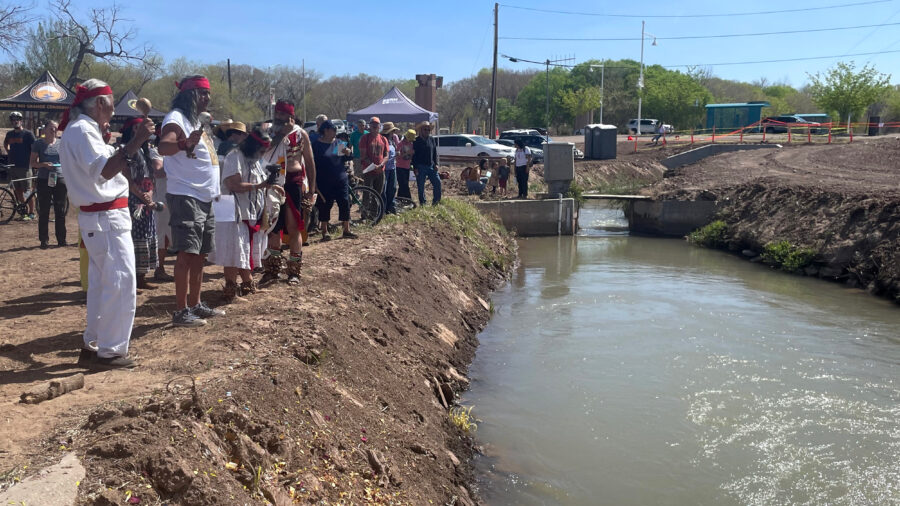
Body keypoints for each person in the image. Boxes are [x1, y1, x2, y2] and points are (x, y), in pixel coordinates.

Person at [58, 78, 154, 369]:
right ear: (100, 103)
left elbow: (104, 171)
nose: (114, 107)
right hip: (106, 219)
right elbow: (106, 171)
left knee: (102, 285)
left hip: (99, 217)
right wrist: (136, 141)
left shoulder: (81, 130)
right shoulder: (84, 131)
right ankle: (110, 351)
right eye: (111, 100)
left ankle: (94, 345)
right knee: (121, 283)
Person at [158, 74, 225, 326]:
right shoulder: (176, 119)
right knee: (186, 252)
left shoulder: (195, 120)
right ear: (189, 95)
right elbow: (164, 147)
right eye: (202, 93)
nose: (207, 98)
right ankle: (180, 311)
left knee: (200, 253)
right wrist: (184, 142)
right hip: (186, 194)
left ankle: (196, 304)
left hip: (204, 196)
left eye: (208, 93)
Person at [260, 99, 316, 286]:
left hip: (293, 182)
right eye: (277, 113)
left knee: (293, 226)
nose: (279, 117)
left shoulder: (301, 134)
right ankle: (272, 271)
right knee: (273, 226)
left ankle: (294, 271)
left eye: (283, 114)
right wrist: (278, 136)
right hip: (272, 181)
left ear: (291, 116)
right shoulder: (267, 130)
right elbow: (258, 152)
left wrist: (311, 189)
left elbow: (309, 161)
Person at [215, 125, 271, 302]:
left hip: (248, 211)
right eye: (262, 150)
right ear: (254, 146)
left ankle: (248, 285)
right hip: (232, 210)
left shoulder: (253, 159)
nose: (263, 153)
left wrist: (272, 186)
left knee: (243, 249)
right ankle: (230, 291)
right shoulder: (235, 157)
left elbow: (259, 181)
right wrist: (260, 186)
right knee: (233, 250)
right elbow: (233, 185)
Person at [121, 117, 161, 290]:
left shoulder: (147, 151)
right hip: (132, 199)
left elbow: (151, 177)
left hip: (145, 201)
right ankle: (132, 279)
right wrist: (140, 195)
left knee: (146, 235)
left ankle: (142, 276)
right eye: (136, 128)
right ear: (131, 131)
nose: (140, 131)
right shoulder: (124, 151)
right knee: (134, 237)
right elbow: (126, 178)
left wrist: (150, 194)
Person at [311, 120, 356, 240]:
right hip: (324, 181)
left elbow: (347, 157)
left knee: (344, 202)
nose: (336, 132)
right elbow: (312, 164)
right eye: (333, 129)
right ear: (326, 130)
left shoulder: (338, 143)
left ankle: (346, 229)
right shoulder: (316, 145)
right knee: (325, 204)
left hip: (340, 179)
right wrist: (313, 181)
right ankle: (325, 231)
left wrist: (348, 152)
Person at [30, 120, 67, 248]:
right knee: (44, 210)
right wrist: (43, 165)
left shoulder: (62, 143)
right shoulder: (38, 143)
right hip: (44, 179)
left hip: (60, 178)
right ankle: (44, 240)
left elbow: (68, 160)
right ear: (45, 130)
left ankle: (61, 240)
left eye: (56, 128)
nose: (53, 131)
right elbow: (33, 163)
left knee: (60, 210)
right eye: (51, 128)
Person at [4, 111, 36, 220]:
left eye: (17, 119)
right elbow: (5, 143)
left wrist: (33, 161)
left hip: (25, 167)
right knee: (18, 191)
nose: (15, 121)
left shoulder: (28, 134)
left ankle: (32, 213)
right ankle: (24, 211)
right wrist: (9, 152)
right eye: (13, 120)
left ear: (21, 121)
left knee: (28, 191)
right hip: (13, 166)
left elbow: (34, 149)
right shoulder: (9, 134)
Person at [411, 121, 441, 206]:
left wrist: (436, 164)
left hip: (431, 165)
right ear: (421, 130)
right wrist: (415, 168)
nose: (427, 131)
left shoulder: (431, 139)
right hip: (420, 167)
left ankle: (436, 202)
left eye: (428, 130)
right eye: (425, 129)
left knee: (437, 183)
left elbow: (434, 152)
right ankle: (423, 203)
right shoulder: (416, 141)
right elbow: (414, 156)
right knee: (421, 187)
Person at [359, 116, 388, 197]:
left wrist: (381, 165)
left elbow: (386, 155)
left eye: (376, 124)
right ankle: (365, 209)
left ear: (379, 126)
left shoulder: (383, 139)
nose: (375, 126)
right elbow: (363, 156)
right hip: (368, 171)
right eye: (373, 124)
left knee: (378, 194)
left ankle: (375, 210)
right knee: (367, 194)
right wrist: (373, 166)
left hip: (380, 171)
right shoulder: (365, 138)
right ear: (370, 126)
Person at [380, 122, 399, 214]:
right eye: (393, 131)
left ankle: (390, 207)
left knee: (393, 188)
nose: (394, 133)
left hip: (392, 167)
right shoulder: (382, 140)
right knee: (384, 189)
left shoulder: (392, 141)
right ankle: (383, 209)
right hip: (385, 169)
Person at [396, 129, 414, 200]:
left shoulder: (411, 144)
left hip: (407, 167)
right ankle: (409, 199)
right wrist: (407, 153)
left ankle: (399, 199)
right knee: (404, 184)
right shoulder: (400, 144)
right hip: (400, 167)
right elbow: (397, 157)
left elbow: (411, 156)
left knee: (404, 184)